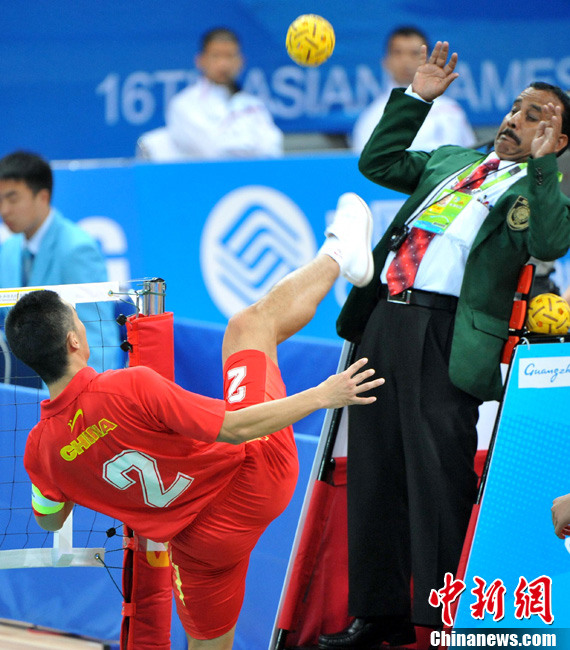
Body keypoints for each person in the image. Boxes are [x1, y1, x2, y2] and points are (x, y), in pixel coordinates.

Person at [5, 192, 382, 650]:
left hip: (198, 545)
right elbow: (237, 427)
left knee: (205, 645)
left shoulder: (40, 452)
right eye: (78, 322)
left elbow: (48, 520)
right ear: (73, 341)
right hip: (254, 478)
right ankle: (339, 252)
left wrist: (68, 479)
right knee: (247, 327)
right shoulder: (130, 386)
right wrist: (322, 395)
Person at [319, 42, 570, 649]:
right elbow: (378, 162)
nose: (516, 119)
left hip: (447, 333)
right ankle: (377, 614)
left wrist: (542, 169)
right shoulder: (453, 159)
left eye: (536, 116)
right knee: (374, 469)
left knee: (438, 477)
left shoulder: (538, 192)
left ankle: (444, 617)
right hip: (383, 317)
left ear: (558, 140)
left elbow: (548, 244)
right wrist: (416, 99)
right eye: (516, 107)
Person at [0, 151, 119, 376]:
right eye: (0, 200)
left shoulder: (76, 249)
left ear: (42, 197)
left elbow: (97, 335)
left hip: (67, 387)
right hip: (19, 383)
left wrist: (94, 392)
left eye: (13, 199)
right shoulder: (8, 250)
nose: (4, 210)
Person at [136, 27, 284, 161]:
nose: (223, 64)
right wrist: (250, 147)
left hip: (253, 180)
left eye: (229, 56)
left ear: (240, 61)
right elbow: (212, 151)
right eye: (216, 56)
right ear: (200, 61)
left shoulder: (255, 106)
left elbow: (272, 150)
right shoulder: (184, 104)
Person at [351, 26, 475, 154]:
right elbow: (365, 163)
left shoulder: (452, 110)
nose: (406, 61)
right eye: (398, 53)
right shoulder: (373, 116)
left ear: (428, 59)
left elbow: (472, 158)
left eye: (415, 53)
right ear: (386, 61)